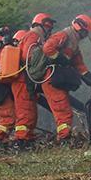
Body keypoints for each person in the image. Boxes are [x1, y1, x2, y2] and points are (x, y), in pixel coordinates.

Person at [42, 14, 91, 144]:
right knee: (62, 110)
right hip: (50, 77)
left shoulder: (74, 44)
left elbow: (79, 64)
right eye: (86, 32)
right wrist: (60, 58)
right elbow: (47, 48)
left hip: (58, 78)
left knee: (65, 109)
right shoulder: (64, 35)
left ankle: (65, 137)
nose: (86, 36)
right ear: (81, 28)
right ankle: (64, 139)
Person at [11, 13, 56, 151]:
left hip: (25, 80)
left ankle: (27, 138)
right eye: (48, 27)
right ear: (41, 25)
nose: (49, 30)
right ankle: (21, 141)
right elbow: (28, 56)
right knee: (25, 111)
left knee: (30, 110)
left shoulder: (30, 36)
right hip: (22, 80)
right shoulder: (33, 36)